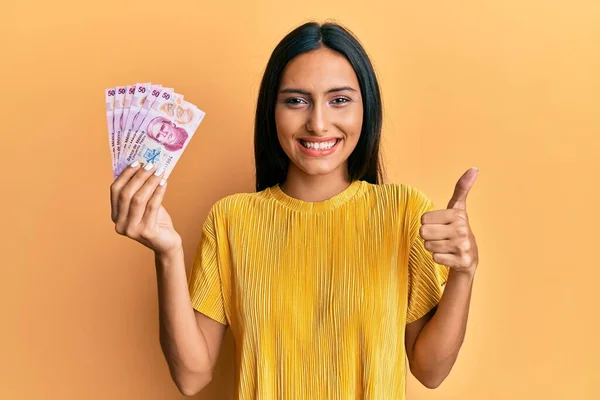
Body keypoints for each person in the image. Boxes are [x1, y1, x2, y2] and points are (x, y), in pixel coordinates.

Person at [109, 21, 480, 399]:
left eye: (339, 100)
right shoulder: (231, 220)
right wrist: (167, 253)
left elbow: (431, 371)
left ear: (366, 109)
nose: (318, 124)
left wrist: (464, 273)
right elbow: (192, 376)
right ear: (272, 112)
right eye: (296, 100)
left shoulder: (403, 213)